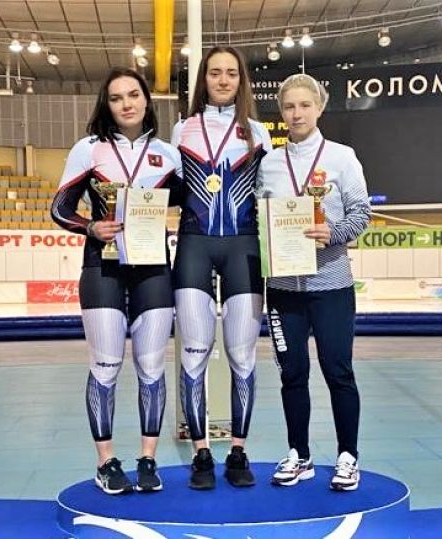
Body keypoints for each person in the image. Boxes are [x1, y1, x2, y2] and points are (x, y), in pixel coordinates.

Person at [51, 67, 181, 494]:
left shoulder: (168, 154)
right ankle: (105, 462)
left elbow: (192, 204)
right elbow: (59, 208)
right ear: (106, 105)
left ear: (147, 99)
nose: (126, 103)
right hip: (102, 268)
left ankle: (148, 459)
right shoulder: (88, 149)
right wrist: (90, 227)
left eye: (133, 94)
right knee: (105, 366)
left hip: (153, 268)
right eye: (116, 97)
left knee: (151, 367)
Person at [256, 73, 370, 491]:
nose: (297, 113)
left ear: (319, 108)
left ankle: (347, 456)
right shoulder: (269, 163)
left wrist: (333, 233)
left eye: (305, 105)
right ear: (281, 112)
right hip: (283, 290)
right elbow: (260, 217)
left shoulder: (342, 157)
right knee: (292, 373)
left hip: (331, 286)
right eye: (289, 106)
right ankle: (299, 455)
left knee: (338, 371)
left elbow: (361, 213)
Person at [171, 46, 272, 489]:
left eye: (232, 73)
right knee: (194, 352)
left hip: (243, 248)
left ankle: (237, 450)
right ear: (204, 79)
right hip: (193, 245)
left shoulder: (258, 132)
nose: (224, 80)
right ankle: (201, 453)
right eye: (215, 72)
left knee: (242, 355)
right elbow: (170, 190)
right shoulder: (182, 129)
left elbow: (271, 193)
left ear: (241, 80)